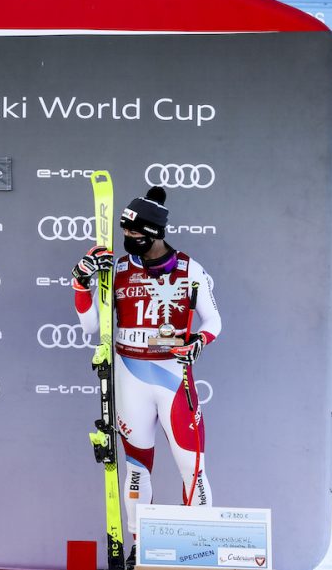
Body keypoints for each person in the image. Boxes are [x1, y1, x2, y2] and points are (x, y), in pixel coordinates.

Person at [72, 186, 221, 569]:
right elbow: (90, 326)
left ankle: (198, 547)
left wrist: (198, 342)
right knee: (137, 468)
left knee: (193, 467)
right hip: (130, 376)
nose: (128, 242)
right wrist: (80, 284)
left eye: (136, 237)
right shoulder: (117, 270)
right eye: (124, 235)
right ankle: (142, 548)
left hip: (173, 378)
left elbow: (214, 320)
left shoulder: (189, 268)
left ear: (156, 234)